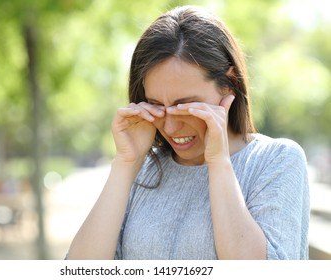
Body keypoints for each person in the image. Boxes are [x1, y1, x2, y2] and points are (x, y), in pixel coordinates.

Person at [66, 5, 309, 260]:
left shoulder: (276, 160)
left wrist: (218, 163)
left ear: (230, 85)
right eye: (157, 106)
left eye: (186, 107)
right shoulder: (143, 170)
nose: (170, 127)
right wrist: (126, 164)